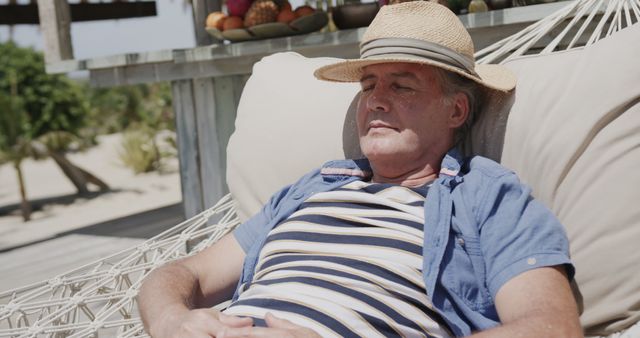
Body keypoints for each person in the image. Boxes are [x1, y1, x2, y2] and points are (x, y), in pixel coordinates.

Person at [138, 2, 582, 337]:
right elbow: (182, 275)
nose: (375, 100)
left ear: (457, 109)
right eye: (369, 85)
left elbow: (551, 326)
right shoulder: (314, 187)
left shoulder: (487, 196)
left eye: (401, 85)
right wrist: (172, 319)